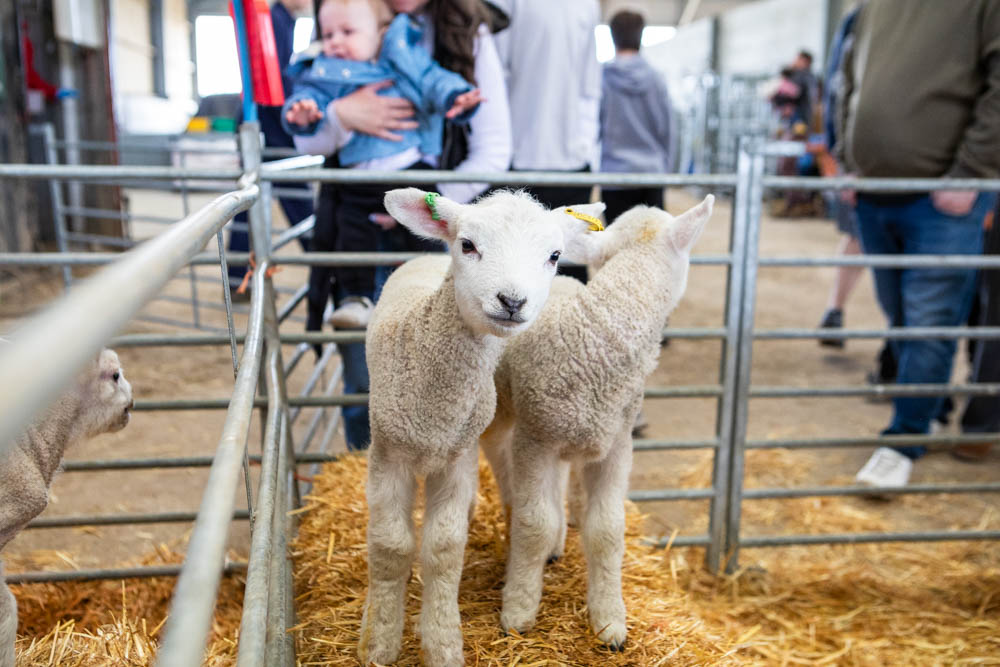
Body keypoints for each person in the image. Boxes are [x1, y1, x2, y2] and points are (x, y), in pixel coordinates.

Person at [294, 0, 512, 449]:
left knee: (437, 368)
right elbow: (307, 131)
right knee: (363, 375)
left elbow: (493, 147)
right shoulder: (345, 17)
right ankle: (369, 484)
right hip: (353, 219)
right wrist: (342, 116)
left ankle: (436, 473)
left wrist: (428, 210)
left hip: (431, 225)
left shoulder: (468, 31)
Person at [836, 0, 1000, 489]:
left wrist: (971, 171)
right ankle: (928, 406)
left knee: (928, 321)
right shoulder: (873, 7)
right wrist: (849, 155)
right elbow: (849, 76)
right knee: (902, 317)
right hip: (875, 192)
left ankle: (903, 439)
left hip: (944, 198)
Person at [282, 0, 482, 328]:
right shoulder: (325, 67)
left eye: (347, 32)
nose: (335, 41)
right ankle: (356, 297)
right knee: (353, 233)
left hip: (411, 169)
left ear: (382, 33)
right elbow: (310, 104)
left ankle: (440, 292)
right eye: (329, 33)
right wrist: (316, 113)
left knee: (428, 239)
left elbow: (434, 80)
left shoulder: (404, 55)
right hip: (358, 178)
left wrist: (457, 96)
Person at [492, 0, 601, 283]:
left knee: (570, 265)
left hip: (572, 162)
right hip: (516, 160)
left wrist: (586, 148)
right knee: (513, 266)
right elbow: (496, 73)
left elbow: (590, 83)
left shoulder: (587, 5)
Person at [228, 0, 315, 297]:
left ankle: (238, 276)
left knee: (251, 201)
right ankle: (323, 262)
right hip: (269, 127)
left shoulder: (282, 20)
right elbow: (272, 80)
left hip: (266, 124)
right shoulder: (275, 19)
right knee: (294, 197)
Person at [598, 9, 673, 225]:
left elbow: (595, 126)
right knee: (652, 246)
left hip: (614, 175)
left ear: (613, 36)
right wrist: (664, 168)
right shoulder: (656, 79)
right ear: (640, 35)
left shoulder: (603, 78)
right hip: (651, 173)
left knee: (616, 248)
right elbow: (667, 130)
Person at [816, 5, 862, 347]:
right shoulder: (859, 18)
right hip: (861, 162)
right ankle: (834, 310)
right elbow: (837, 86)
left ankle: (835, 309)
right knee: (857, 234)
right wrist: (839, 155)